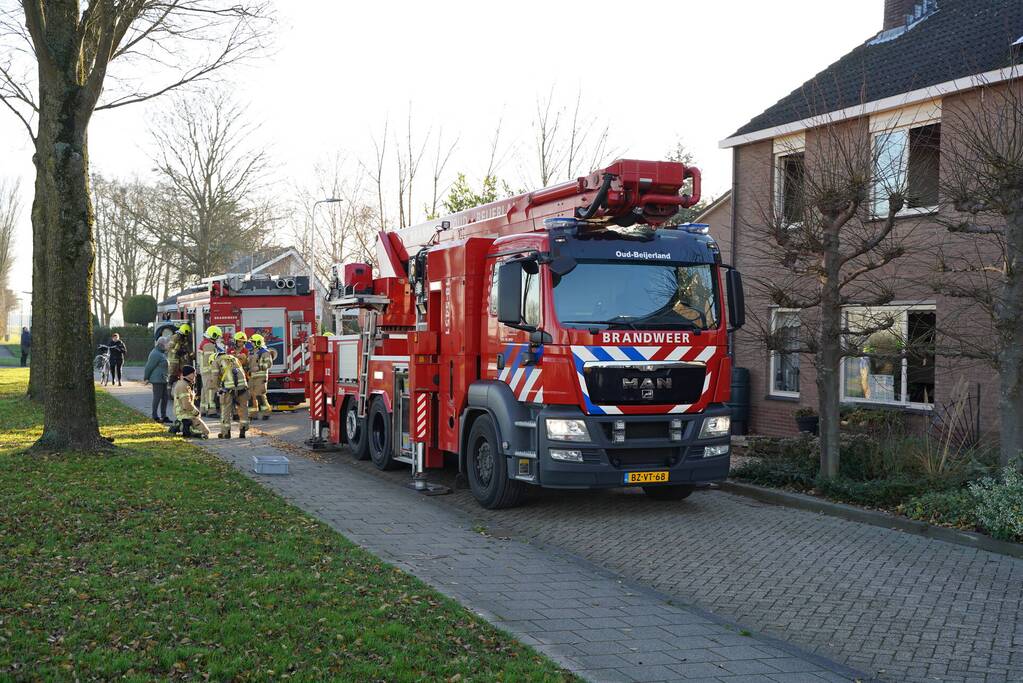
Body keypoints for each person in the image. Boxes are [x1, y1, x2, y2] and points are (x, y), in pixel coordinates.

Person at [215, 350, 249, 439]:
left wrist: (218, 389)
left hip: (229, 389)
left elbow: (214, 377)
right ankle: (243, 430)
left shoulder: (217, 361)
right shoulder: (234, 359)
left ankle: (226, 433)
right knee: (243, 408)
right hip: (243, 387)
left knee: (226, 410)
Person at [170, 365, 209, 439]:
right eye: (194, 373)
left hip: (186, 413)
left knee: (205, 431)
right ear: (189, 374)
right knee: (205, 432)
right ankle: (182, 427)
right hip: (184, 414)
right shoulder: (183, 386)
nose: (195, 375)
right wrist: (196, 412)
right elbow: (186, 405)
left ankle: (185, 427)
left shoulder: (185, 384)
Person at [247, 333, 277, 420]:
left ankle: (266, 412)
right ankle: (253, 414)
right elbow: (249, 363)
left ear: (258, 342)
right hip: (252, 377)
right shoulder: (252, 352)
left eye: (253, 342)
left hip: (261, 377)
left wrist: (259, 367)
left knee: (260, 395)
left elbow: (269, 364)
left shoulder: (265, 352)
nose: (252, 343)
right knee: (251, 396)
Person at [198, 325, 224, 416]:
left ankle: (204, 409)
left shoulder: (205, 343)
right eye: (217, 336)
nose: (217, 339)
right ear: (213, 335)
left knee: (205, 390)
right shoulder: (209, 345)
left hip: (205, 371)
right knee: (210, 389)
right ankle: (211, 411)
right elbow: (211, 360)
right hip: (209, 371)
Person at [143, 337, 170, 422]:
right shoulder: (155, 354)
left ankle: (164, 416)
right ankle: (154, 416)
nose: (168, 345)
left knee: (165, 398)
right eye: (167, 344)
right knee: (157, 397)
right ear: (161, 344)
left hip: (163, 379)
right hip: (157, 380)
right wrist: (146, 378)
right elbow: (149, 367)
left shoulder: (161, 353)